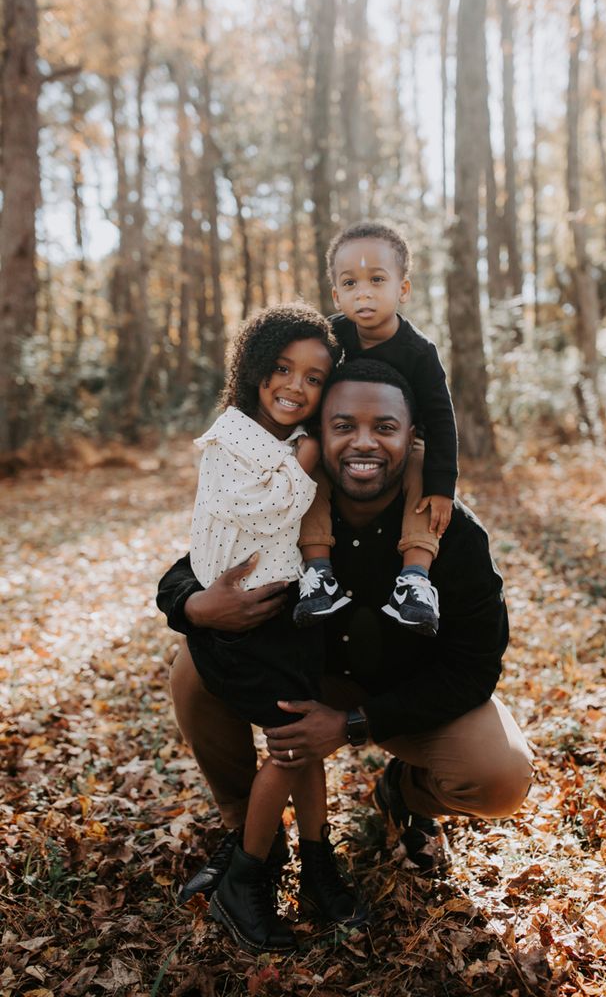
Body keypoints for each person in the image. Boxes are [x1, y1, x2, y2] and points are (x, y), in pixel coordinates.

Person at [157, 359, 533, 948]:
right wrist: (197, 607)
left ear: (412, 440)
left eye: (384, 427)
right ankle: (248, 837)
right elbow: (192, 569)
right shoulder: (288, 498)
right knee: (192, 666)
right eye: (343, 425)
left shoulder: (450, 529)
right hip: (307, 678)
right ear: (318, 434)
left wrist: (356, 724)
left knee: (501, 776)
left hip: (405, 698)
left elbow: (476, 666)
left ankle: (401, 795)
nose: (363, 442)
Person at [183, 302, 366, 954]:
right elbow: (256, 512)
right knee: (290, 750)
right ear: (256, 369)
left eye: (314, 377)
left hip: (289, 623)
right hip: (244, 631)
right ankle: (245, 878)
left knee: (303, 739)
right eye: (283, 369)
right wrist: (307, 461)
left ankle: (317, 867)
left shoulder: (288, 441)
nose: (295, 386)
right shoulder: (232, 435)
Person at [293, 223, 457, 637]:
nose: (363, 292)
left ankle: (415, 579)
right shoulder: (330, 337)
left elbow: (440, 419)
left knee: (420, 471)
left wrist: (443, 485)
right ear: (336, 295)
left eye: (377, 280)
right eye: (350, 283)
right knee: (309, 462)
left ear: (403, 289)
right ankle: (318, 575)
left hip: (402, 447)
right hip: (338, 442)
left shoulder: (419, 352)